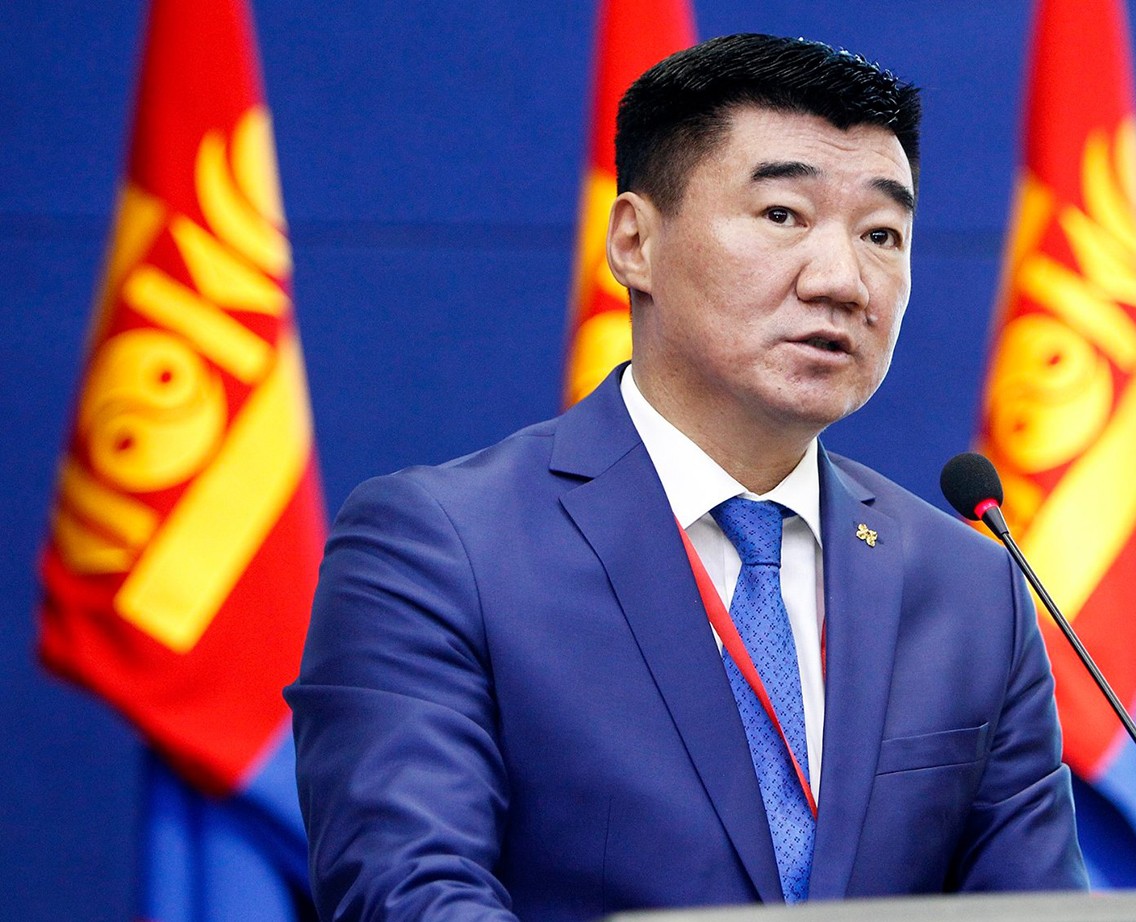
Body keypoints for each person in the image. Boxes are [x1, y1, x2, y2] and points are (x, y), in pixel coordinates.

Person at [287, 32, 1086, 922]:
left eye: (882, 234)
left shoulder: (972, 589)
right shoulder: (441, 549)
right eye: (782, 214)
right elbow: (410, 894)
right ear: (635, 241)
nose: (843, 280)